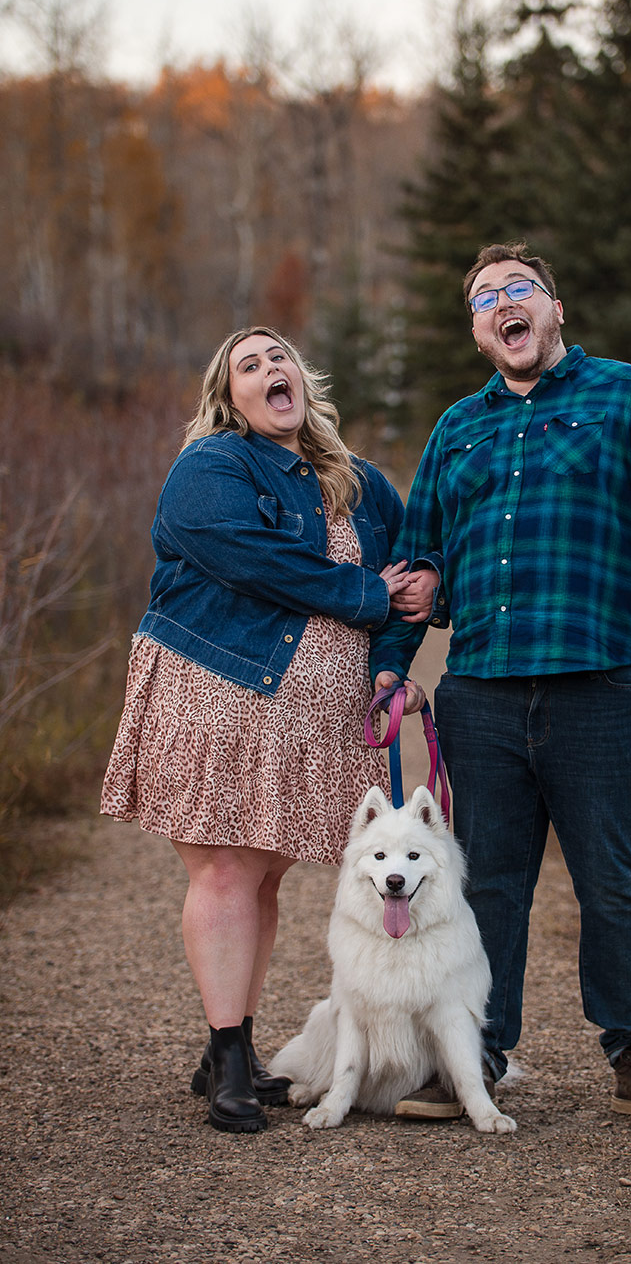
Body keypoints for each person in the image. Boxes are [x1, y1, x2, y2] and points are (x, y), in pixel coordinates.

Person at [371, 243, 631, 1126]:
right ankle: (471, 1055)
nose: (503, 304)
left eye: (520, 288)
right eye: (485, 297)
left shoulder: (628, 396)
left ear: (555, 309)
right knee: (486, 884)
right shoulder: (457, 427)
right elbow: (419, 562)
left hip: (607, 687)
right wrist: (392, 666)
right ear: (479, 332)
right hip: (482, 692)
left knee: (612, 879)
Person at [101, 325, 437, 1133]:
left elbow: (411, 573)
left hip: (317, 715)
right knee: (222, 870)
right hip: (218, 690)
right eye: (247, 365)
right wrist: (368, 595)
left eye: (277, 355)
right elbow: (256, 560)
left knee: (263, 877)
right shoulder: (212, 466)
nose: (268, 368)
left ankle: (236, 1043)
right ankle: (227, 1055)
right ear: (231, 397)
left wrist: (395, 652)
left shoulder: (360, 481)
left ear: (301, 377)